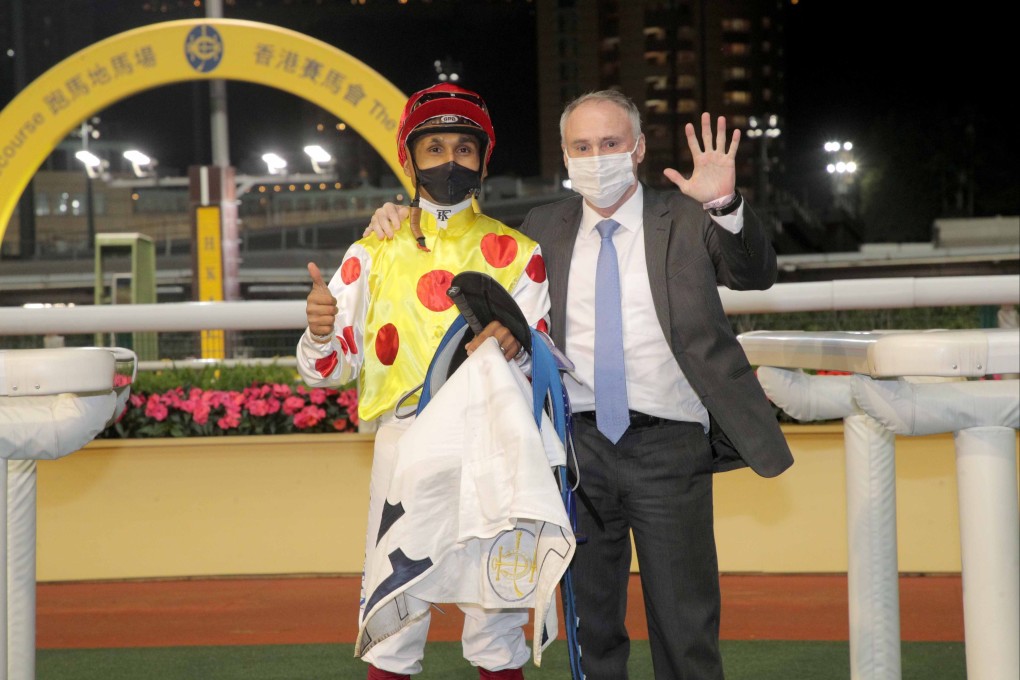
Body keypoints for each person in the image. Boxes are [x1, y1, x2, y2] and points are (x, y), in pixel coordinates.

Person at [365, 89, 794, 680]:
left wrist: (724, 202)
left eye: (612, 143)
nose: (598, 156)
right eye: (583, 146)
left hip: (672, 448)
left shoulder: (690, 215)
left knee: (685, 625)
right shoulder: (542, 228)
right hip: (576, 448)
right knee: (590, 631)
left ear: (639, 148)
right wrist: (396, 217)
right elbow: (464, 260)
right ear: (566, 157)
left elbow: (756, 274)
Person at [297, 83, 552, 680]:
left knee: (496, 618)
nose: (449, 162)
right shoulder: (371, 251)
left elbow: (541, 369)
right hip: (405, 441)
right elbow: (329, 372)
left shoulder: (521, 253)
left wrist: (519, 347)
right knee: (395, 613)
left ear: (484, 159)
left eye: (464, 148)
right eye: (433, 147)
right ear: (409, 158)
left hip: (495, 444)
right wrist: (318, 331)